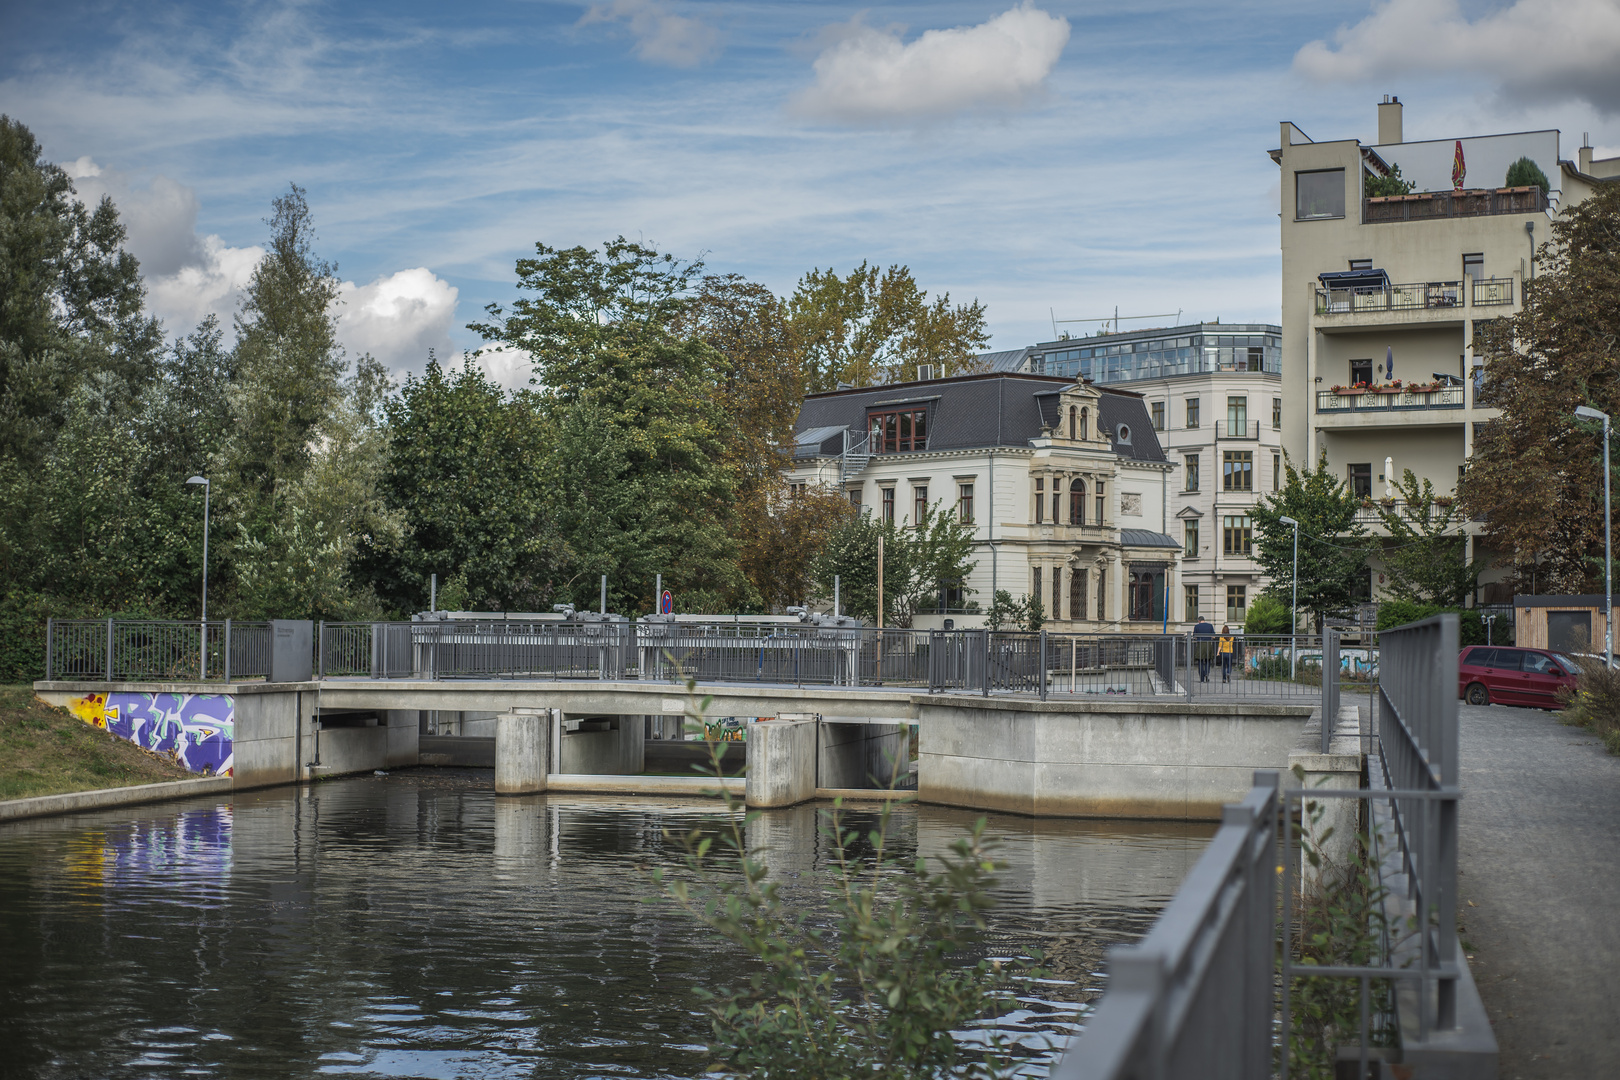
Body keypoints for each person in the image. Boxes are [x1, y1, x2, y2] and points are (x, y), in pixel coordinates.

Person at [1193, 616, 1216, 682]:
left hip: (1200, 645)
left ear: (1199, 621)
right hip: (1208, 645)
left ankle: (1202, 678)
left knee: (1200, 661)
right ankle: (1206, 673)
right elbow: (1214, 636)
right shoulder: (1210, 626)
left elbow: (1195, 637)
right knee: (1208, 660)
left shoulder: (1197, 626)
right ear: (1204, 620)